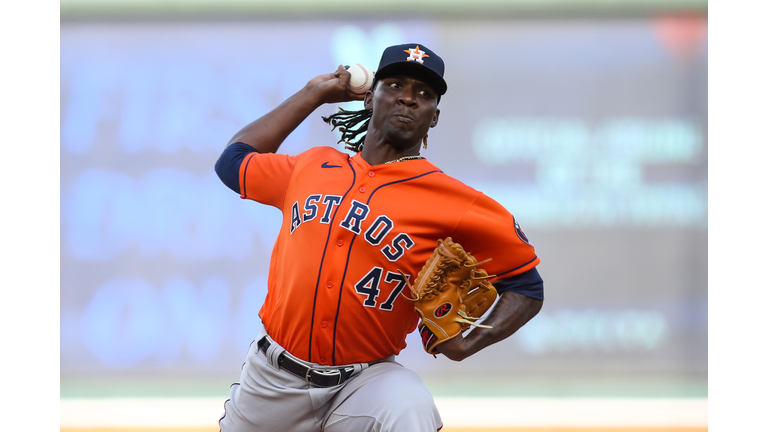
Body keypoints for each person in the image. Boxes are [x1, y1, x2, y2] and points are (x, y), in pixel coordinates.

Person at [214, 43, 544, 432]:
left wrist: (469, 342)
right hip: (273, 380)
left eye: (424, 94)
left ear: (433, 117)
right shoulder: (312, 166)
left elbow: (527, 285)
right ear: (370, 98)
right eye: (395, 85)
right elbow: (233, 161)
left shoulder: (454, 200)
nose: (408, 97)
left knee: (410, 404)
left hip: (365, 383)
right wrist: (313, 95)